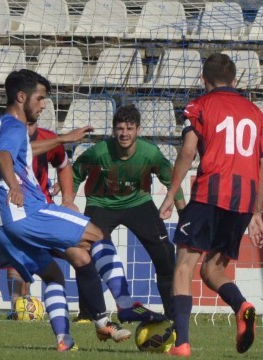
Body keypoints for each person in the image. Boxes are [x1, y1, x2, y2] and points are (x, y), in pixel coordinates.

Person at [0, 69, 120, 351]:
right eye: (40, 99)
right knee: (96, 235)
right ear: (21, 97)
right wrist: (13, 185)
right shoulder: (14, 129)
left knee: (49, 274)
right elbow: (7, 156)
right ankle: (120, 311)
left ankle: (63, 339)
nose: (43, 105)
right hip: (25, 215)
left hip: (0, 226)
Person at [159, 53, 263, 357]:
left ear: (203, 80)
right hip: (243, 201)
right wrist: (257, 211)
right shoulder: (256, 113)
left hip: (209, 193)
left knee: (184, 266)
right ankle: (242, 305)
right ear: (235, 80)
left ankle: (181, 342)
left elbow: (188, 151)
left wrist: (172, 193)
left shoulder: (200, 106)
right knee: (212, 270)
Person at [72, 104, 184, 322]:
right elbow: (75, 173)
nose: (124, 133)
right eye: (120, 128)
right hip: (101, 203)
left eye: (129, 128)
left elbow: (173, 182)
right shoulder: (99, 152)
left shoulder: (150, 153)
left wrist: (184, 216)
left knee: (165, 256)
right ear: (114, 130)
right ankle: (88, 313)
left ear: (138, 130)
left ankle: (173, 314)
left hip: (138, 203)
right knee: (84, 252)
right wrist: (69, 200)